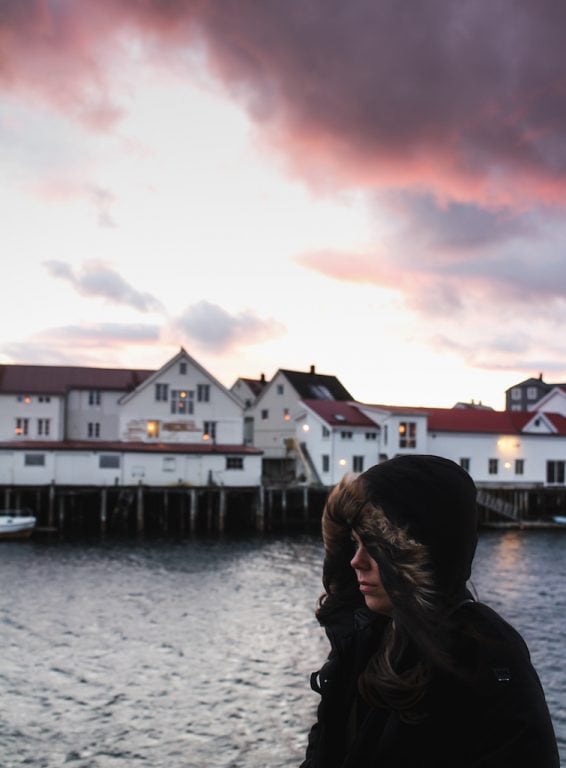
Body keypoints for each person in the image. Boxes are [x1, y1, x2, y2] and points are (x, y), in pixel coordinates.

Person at [300, 455, 559, 767]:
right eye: (355, 544)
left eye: (376, 547)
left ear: (424, 555)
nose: (356, 561)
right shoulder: (362, 638)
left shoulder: (487, 660)